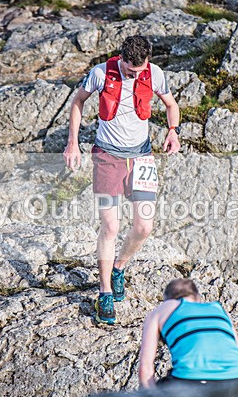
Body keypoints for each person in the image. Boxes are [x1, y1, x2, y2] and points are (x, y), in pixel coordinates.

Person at [63, 35, 181, 325]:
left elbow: (171, 105)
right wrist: (73, 143)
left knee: (144, 226)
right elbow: (77, 103)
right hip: (107, 157)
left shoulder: (154, 74)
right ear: (121, 58)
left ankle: (119, 267)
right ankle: (104, 292)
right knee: (111, 226)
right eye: (130, 70)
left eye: (139, 71)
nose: (135, 75)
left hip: (141, 157)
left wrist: (173, 130)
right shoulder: (100, 73)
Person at [138, 278, 238, 388]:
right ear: (198, 298)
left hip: (191, 381)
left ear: (168, 299)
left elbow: (145, 369)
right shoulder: (220, 310)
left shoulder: (163, 309)